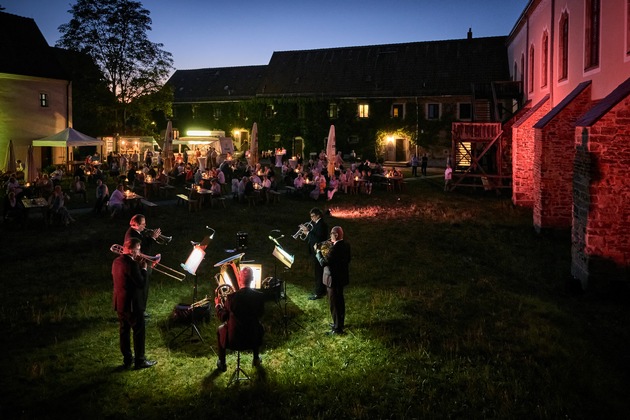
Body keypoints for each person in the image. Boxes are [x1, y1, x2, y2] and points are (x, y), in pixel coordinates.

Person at [111, 237, 157, 369]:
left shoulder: (116, 261)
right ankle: (140, 360)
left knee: (124, 332)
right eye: (138, 249)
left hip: (120, 303)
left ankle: (127, 360)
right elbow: (141, 283)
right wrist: (143, 269)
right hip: (133, 305)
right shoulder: (131, 264)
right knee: (138, 332)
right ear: (131, 250)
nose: (139, 252)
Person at [214, 267, 265, 372]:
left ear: (239, 279)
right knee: (258, 325)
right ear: (252, 279)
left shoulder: (231, 297)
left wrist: (218, 306)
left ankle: (222, 363)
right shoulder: (259, 297)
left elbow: (223, 317)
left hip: (234, 340)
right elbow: (260, 314)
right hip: (252, 339)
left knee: (220, 329)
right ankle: (256, 358)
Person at [124, 214, 161, 318]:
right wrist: (152, 238)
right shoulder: (132, 235)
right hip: (139, 266)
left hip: (142, 264)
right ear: (135, 224)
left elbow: (143, 244)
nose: (145, 226)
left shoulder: (137, 232)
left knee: (143, 288)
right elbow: (143, 250)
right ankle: (140, 311)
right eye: (143, 224)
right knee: (142, 289)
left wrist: (150, 237)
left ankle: (140, 310)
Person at [317, 226, 351, 335]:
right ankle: (339, 323)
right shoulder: (345, 245)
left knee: (334, 304)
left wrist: (318, 252)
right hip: (341, 278)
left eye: (331, 233)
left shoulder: (334, 249)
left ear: (336, 235)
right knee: (340, 302)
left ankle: (337, 329)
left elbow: (323, 262)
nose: (330, 235)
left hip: (333, 280)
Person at [303, 207, 329, 300]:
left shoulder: (321, 225)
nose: (311, 218)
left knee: (319, 272)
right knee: (319, 272)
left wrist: (308, 233)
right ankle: (322, 290)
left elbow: (318, 240)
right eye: (311, 216)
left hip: (319, 252)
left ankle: (319, 292)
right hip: (316, 251)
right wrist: (308, 231)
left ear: (318, 215)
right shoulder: (317, 224)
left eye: (313, 216)